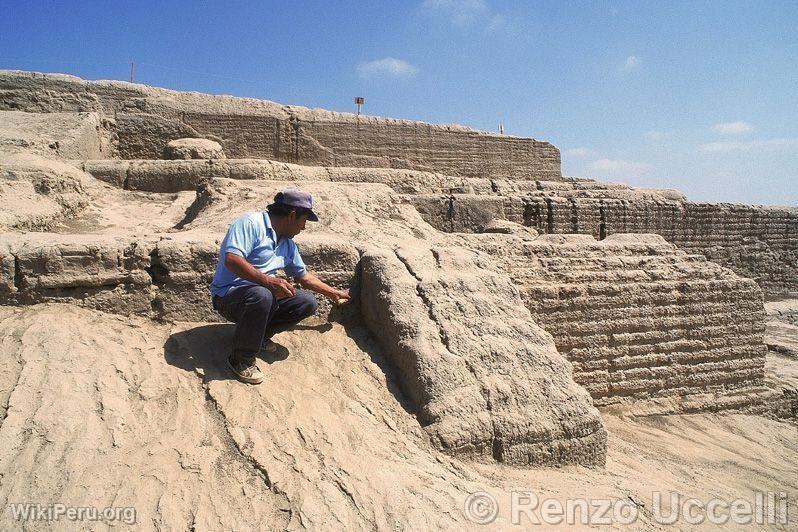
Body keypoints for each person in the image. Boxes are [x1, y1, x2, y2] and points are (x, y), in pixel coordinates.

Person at [209, 188, 349, 384]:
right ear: (292, 216)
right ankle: (241, 359)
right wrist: (268, 280)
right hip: (229, 297)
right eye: (304, 220)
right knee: (263, 294)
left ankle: (258, 336)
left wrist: (333, 292)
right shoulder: (250, 223)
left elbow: (304, 277)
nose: (304, 227)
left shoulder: (287, 244)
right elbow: (232, 260)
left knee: (306, 302)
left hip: (259, 297)